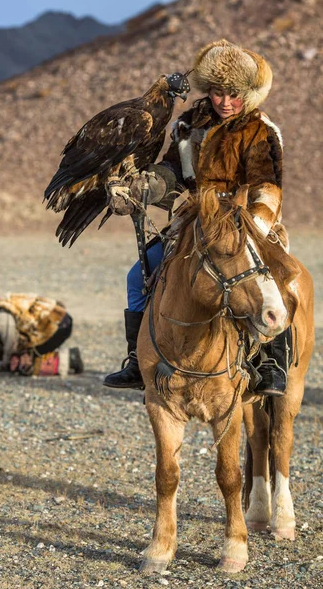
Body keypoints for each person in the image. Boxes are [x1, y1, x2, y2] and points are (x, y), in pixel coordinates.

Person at [104, 38, 290, 397]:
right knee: (137, 275)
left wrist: (256, 225)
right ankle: (136, 358)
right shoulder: (189, 125)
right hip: (195, 220)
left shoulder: (259, 129)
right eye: (218, 92)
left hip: (247, 223)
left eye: (233, 93)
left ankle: (271, 362)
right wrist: (144, 187)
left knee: (278, 282)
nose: (225, 101)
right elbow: (173, 171)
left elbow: (268, 184)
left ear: (247, 92)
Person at [0, 293, 83, 376]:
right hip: (40, 326)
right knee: (2, 353)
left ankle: (70, 358)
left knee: (22, 364)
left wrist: (9, 362)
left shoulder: (1, 317)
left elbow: (11, 341)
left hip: (56, 324)